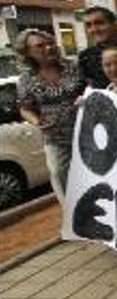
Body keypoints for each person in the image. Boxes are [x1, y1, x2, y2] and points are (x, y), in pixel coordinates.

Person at [15, 29, 86, 201]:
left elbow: (89, 90)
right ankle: (70, 217)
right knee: (59, 174)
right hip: (55, 138)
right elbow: (25, 108)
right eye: (40, 46)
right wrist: (37, 120)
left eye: (50, 43)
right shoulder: (26, 79)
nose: (48, 48)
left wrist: (85, 99)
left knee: (91, 175)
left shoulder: (73, 67)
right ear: (27, 52)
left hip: (85, 132)